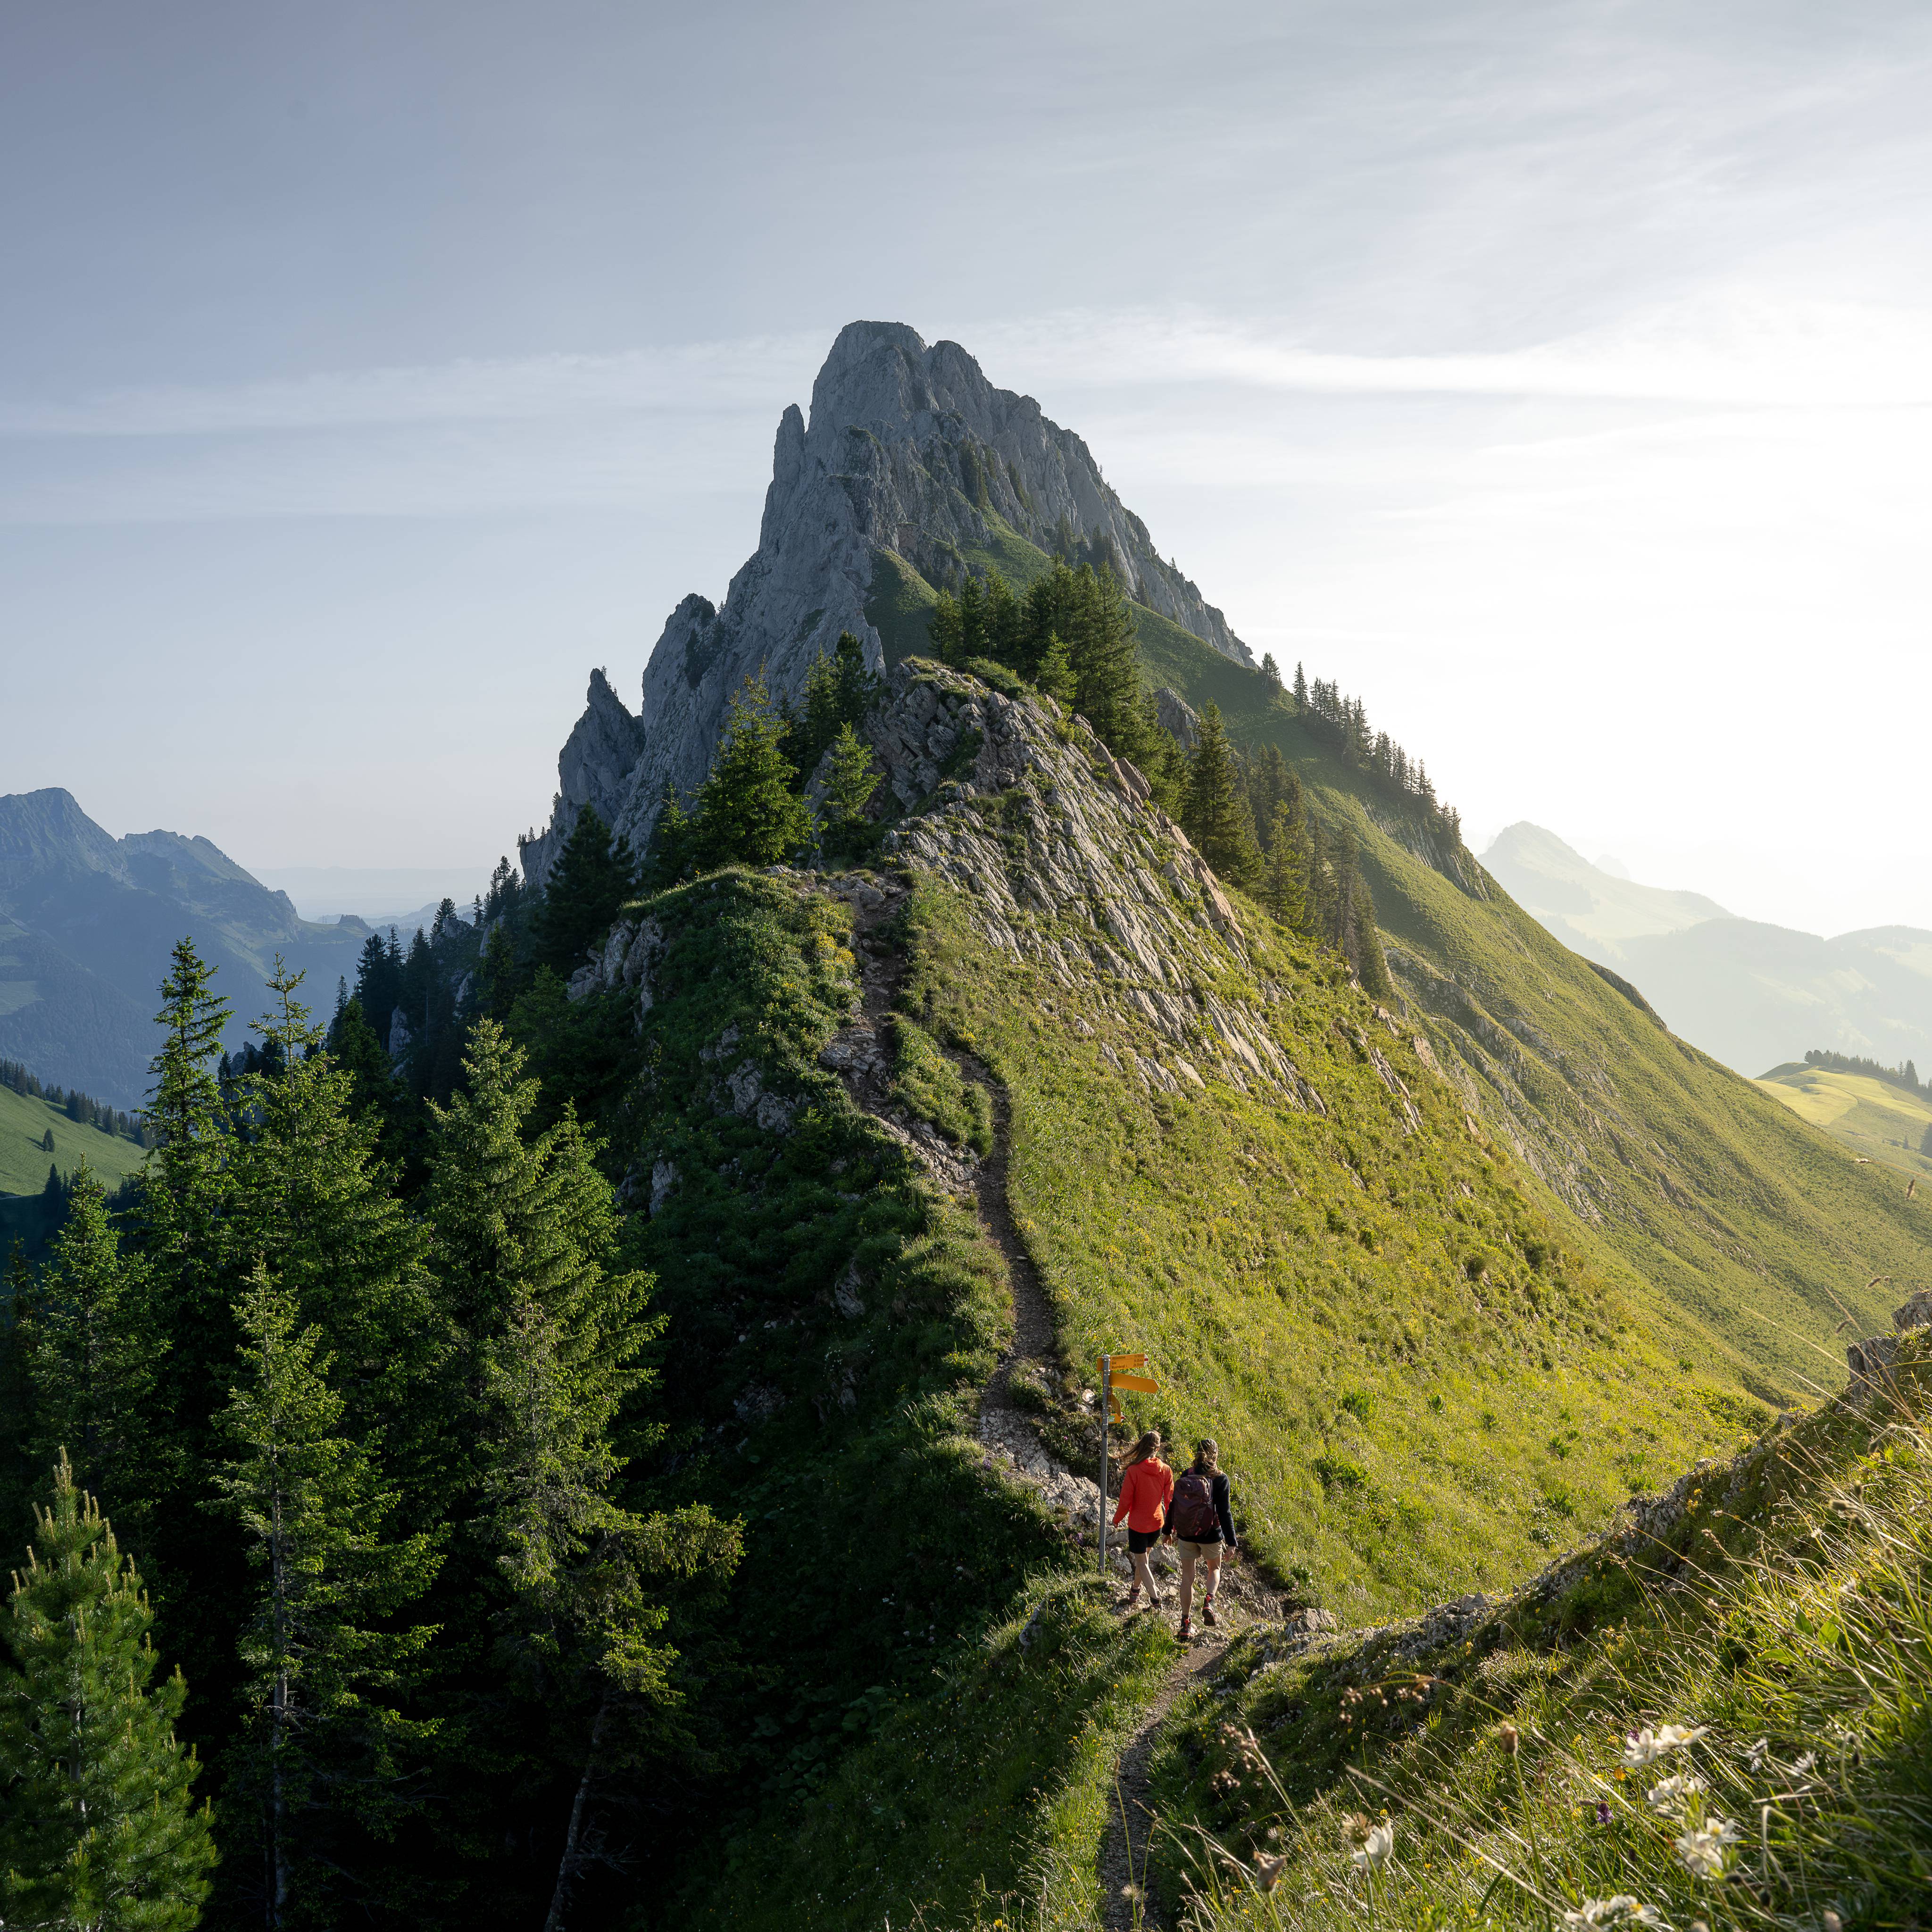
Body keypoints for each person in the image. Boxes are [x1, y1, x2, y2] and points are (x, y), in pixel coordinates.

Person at [1169, 1437, 1237, 1640]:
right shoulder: (1220, 1479)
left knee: (1187, 1578)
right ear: (1216, 1455)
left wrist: (1168, 1530)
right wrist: (1231, 1541)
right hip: (1211, 1534)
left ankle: (1185, 1624)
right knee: (1214, 1569)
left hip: (1186, 1534)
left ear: (1196, 1453)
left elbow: (1175, 1505)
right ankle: (1209, 1600)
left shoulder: (1187, 1475)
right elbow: (1225, 1513)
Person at [1110, 1430, 1174, 1614]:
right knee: (1143, 1559)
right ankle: (1135, 1592)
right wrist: (1170, 1527)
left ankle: (1155, 1600)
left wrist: (1117, 1518)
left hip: (1138, 1526)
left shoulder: (1134, 1471)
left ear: (1142, 1446)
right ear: (1158, 1448)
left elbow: (1126, 1500)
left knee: (1143, 1562)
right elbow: (1170, 1501)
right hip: (1156, 1525)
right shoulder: (1166, 1470)